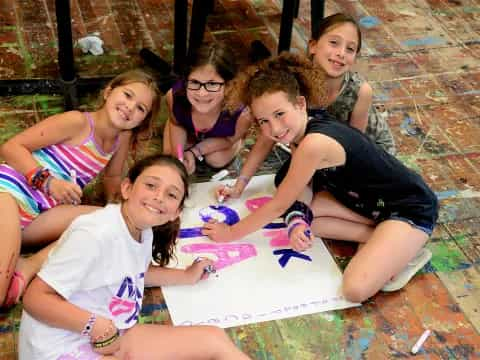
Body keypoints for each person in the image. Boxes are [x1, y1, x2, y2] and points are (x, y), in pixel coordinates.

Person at [203, 53, 438, 303]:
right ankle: (387, 242)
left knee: (354, 290)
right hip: (372, 205)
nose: (274, 128)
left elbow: (279, 205)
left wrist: (230, 233)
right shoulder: (300, 125)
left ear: (301, 104)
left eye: (279, 114)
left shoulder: (313, 144)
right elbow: (279, 160)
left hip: (408, 208)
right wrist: (295, 220)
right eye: (264, 121)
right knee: (307, 221)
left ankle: (408, 249)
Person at [19, 154, 250, 360]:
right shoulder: (94, 235)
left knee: (213, 339)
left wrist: (187, 276)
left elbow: (133, 269)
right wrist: (95, 325)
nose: (159, 197)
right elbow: (35, 298)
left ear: (176, 212)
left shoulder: (141, 230)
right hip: (57, 347)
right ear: (127, 188)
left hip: (106, 334)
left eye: (171, 194)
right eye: (151, 185)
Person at [0, 69, 161, 309]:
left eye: (140, 108)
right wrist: (48, 182)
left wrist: (118, 215)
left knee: (108, 220)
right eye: (127, 95)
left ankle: (29, 266)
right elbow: (11, 147)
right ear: (108, 92)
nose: (130, 107)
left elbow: (113, 176)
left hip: (38, 214)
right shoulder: (77, 122)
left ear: (143, 120)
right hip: (10, 194)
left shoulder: (122, 138)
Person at [308, 13, 396, 155]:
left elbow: (354, 148)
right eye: (334, 43)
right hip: (320, 140)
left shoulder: (360, 91)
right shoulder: (295, 78)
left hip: (367, 149)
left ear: (355, 58)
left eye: (350, 49)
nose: (341, 53)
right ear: (313, 46)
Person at [162, 42, 254, 175]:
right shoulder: (174, 96)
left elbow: (229, 139)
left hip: (224, 137)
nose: (202, 94)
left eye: (212, 84)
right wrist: (180, 157)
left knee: (216, 160)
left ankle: (238, 144)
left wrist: (195, 152)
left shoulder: (243, 113)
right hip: (186, 127)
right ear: (185, 80)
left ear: (228, 85)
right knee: (171, 159)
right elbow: (176, 124)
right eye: (194, 82)